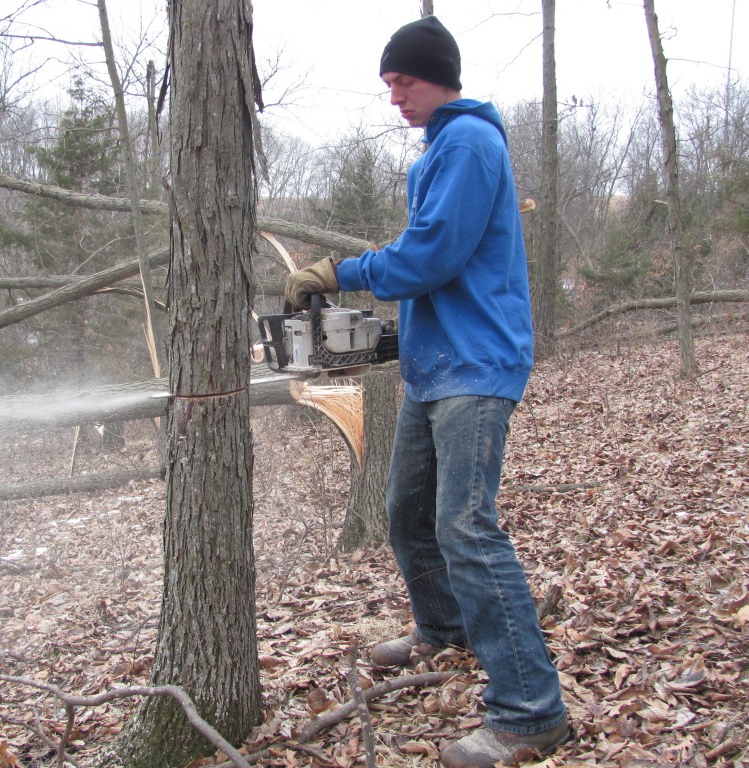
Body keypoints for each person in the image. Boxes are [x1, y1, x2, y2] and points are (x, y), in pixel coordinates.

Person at [284, 16, 572, 768]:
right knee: (405, 512)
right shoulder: (438, 152)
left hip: (477, 364)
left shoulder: (472, 143)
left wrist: (339, 271)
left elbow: (431, 257)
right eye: (387, 86)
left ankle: (531, 710)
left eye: (402, 82)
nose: (394, 98)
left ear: (439, 75)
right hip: (436, 368)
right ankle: (443, 630)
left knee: (466, 527)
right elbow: (426, 261)